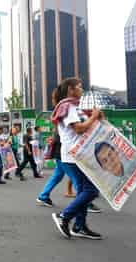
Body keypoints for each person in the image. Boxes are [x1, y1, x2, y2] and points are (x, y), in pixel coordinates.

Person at [51, 77, 104, 240]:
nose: (82, 90)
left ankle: (80, 226)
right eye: (79, 87)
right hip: (74, 157)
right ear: (71, 89)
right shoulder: (67, 107)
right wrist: (94, 117)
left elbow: (85, 126)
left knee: (83, 191)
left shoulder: (72, 107)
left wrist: (96, 117)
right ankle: (64, 216)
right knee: (91, 190)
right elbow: (79, 129)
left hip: (77, 156)